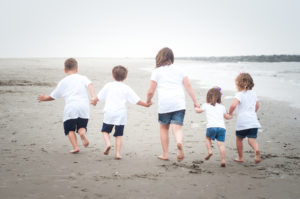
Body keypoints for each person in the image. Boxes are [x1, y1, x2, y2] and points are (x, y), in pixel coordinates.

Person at [146, 47, 199, 162]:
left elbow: (151, 91)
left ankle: (165, 154)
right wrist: (196, 102)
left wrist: (148, 100)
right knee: (177, 127)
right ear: (171, 58)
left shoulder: (156, 71)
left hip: (165, 104)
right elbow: (188, 86)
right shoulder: (180, 70)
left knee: (164, 128)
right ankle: (179, 142)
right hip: (179, 103)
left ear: (159, 58)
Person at [38, 58, 97, 153]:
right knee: (82, 126)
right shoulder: (82, 78)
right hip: (83, 107)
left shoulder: (63, 82)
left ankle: (76, 147)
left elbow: (53, 96)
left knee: (69, 129)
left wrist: (44, 98)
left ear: (65, 70)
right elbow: (90, 84)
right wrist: (93, 96)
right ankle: (82, 134)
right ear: (77, 69)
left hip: (71, 107)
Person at [91, 65, 151, 160]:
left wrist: (94, 100)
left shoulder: (108, 85)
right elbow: (136, 100)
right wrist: (146, 104)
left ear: (113, 75)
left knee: (105, 131)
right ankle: (118, 153)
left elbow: (98, 97)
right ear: (125, 77)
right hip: (120, 114)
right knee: (119, 135)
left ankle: (108, 144)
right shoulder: (126, 88)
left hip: (109, 113)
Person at [229, 72, 261, 164]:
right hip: (253, 121)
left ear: (238, 84)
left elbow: (233, 105)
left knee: (239, 139)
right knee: (252, 139)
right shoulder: (254, 94)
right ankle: (256, 150)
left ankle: (240, 157)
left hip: (243, 122)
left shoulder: (240, 94)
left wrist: (230, 113)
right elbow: (257, 105)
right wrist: (252, 113)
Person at [195, 87, 231, 167]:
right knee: (221, 144)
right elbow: (227, 117)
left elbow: (198, 111)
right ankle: (223, 160)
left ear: (208, 97)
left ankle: (210, 151)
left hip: (211, 127)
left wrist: (196, 107)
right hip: (221, 128)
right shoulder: (222, 107)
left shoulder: (205, 105)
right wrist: (230, 115)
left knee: (208, 139)